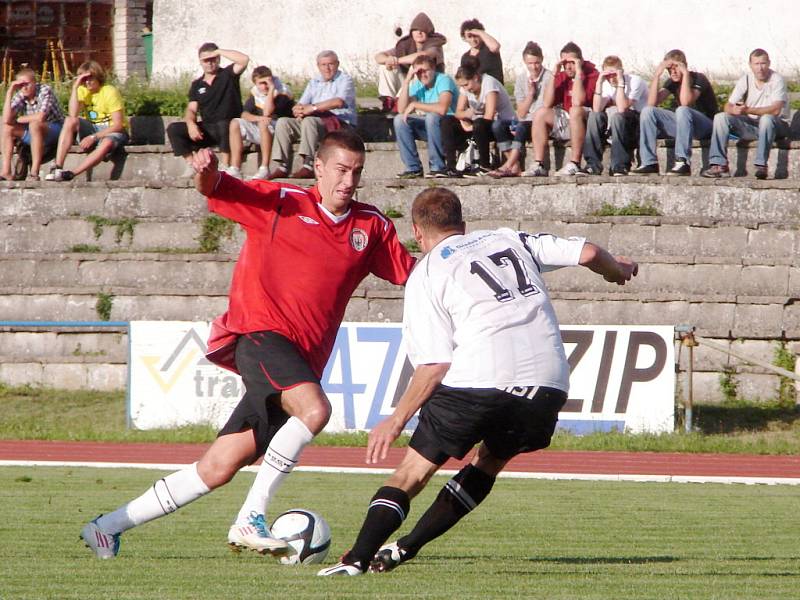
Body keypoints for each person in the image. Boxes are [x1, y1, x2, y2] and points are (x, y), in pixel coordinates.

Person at [80, 129, 415, 560]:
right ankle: (251, 516)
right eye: (341, 170)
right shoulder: (281, 202)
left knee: (218, 467)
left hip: (300, 361)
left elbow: (413, 276)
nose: (349, 181)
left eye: (357, 172)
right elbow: (218, 189)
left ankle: (105, 527)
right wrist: (206, 173)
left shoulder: (371, 226)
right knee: (316, 410)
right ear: (318, 167)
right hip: (259, 334)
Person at [317, 186, 638, 576]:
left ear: (417, 232)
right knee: (487, 463)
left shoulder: (427, 271)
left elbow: (434, 364)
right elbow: (587, 252)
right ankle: (404, 549)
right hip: (547, 382)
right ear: (463, 225)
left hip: (480, 377)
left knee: (412, 473)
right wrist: (616, 270)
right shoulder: (505, 238)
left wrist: (395, 420)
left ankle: (355, 559)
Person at [701, 48, 790, 180]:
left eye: (763, 63)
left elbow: (775, 110)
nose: (760, 68)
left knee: (766, 119)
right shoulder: (746, 79)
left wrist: (748, 110)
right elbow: (727, 105)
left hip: (776, 126)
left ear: (769, 63)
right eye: (756, 64)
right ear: (750, 65)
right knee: (720, 117)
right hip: (752, 125)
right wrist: (734, 110)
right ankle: (719, 165)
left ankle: (761, 165)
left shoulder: (777, 80)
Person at [268, 51, 357, 180]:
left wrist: (313, 107)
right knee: (283, 122)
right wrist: (298, 109)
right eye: (323, 65)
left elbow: (338, 102)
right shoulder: (314, 82)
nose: (327, 68)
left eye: (330, 64)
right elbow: (302, 103)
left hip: (338, 122)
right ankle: (283, 166)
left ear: (337, 64)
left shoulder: (345, 80)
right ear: (318, 66)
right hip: (317, 122)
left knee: (310, 121)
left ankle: (308, 165)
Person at [166, 42, 249, 174]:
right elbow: (191, 109)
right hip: (208, 129)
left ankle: (225, 164)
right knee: (174, 129)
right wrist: (190, 124)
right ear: (200, 62)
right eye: (206, 60)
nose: (209, 63)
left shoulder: (228, 74)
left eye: (213, 59)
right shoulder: (197, 84)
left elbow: (244, 60)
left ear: (218, 59)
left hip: (230, 128)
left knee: (225, 123)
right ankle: (192, 164)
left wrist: (219, 51)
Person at [632, 49, 717, 176]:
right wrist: (657, 75)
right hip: (685, 126)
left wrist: (686, 75)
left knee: (682, 110)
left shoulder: (699, 78)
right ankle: (649, 162)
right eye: (670, 70)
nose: (673, 72)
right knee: (647, 111)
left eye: (676, 68)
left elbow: (685, 102)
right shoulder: (672, 82)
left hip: (706, 126)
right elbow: (651, 103)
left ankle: (682, 161)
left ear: (684, 66)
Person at [45, 61, 129, 182]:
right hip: (93, 128)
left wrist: (93, 137)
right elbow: (72, 115)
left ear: (98, 77)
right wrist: (75, 87)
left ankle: (71, 174)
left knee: (107, 143)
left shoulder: (109, 91)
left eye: (90, 78)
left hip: (113, 132)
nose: (87, 82)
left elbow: (118, 125)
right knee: (70, 120)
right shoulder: (83, 90)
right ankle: (57, 167)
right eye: (84, 79)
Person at [524, 42, 599, 177]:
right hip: (567, 119)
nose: (568, 67)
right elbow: (547, 103)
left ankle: (575, 163)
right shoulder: (562, 76)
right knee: (541, 113)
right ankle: (539, 164)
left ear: (580, 61)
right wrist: (554, 74)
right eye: (565, 63)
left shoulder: (592, 75)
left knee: (575, 110)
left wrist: (579, 73)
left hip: (586, 121)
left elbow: (578, 101)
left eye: (572, 62)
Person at [489, 42, 552, 178]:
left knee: (522, 126)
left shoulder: (549, 77)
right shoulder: (521, 79)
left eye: (537, 63)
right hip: (524, 119)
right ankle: (515, 164)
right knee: (497, 125)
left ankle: (508, 165)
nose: (534, 67)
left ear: (542, 59)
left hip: (538, 122)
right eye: (530, 63)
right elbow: (522, 112)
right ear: (525, 62)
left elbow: (543, 108)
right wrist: (530, 94)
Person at [441, 61, 515, 177]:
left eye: (466, 85)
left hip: (500, 125)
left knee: (479, 124)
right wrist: (466, 116)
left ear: (475, 78)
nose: (465, 89)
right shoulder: (465, 89)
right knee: (447, 121)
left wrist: (470, 126)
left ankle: (484, 165)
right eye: (462, 86)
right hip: (477, 126)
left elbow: (489, 116)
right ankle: (451, 166)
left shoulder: (489, 83)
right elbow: (458, 112)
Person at [394, 54, 458, 179]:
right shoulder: (418, 84)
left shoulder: (444, 79)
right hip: (430, 126)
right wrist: (407, 81)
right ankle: (413, 167)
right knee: (399, 120)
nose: (422, 75)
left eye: (425, 71)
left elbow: (443, 108)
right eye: (418, 72)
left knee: (432, 117)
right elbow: (401, 109)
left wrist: (415, 104)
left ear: (433, 69)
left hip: (448, 125)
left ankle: (437, 166)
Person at [583, 55, 648, 176]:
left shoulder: (635, 81)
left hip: (639, 122)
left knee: (618, 116)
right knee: (594, 116)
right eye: (608, 75)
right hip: (619, 121)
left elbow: (622, 107)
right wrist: (599, 82)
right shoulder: (606, 83)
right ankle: (592, 165)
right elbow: (597, 109)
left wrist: (620, 82)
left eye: (614, 74)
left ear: (621, 71)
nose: (611, 78)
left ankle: (620, 166)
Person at [227, 66, 294, 180]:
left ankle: (264, 168)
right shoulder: (255, 93)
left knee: (263, 124)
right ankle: (235, 168)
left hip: (280, 129)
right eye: (260, 83)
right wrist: (258, 118)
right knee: (235, 123)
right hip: (263, 125)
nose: (264, 87)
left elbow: (267, 112)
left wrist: (272, 88)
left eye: (266, 82)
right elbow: (244, 114)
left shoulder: (282, 92)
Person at [375, 12, 447, 114]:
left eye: (423, 30)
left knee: (417, 67)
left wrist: (397, 60)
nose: (419, 33)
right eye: (416, 30)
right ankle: (389, 101)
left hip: (430, 83)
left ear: (428, 32)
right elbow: (378, 57)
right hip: (408, 81)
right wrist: (388, 60)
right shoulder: (406, 44)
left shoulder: (435, 44)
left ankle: (400, 102)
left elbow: (423, 56)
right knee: (385, 66)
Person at [1, 67, 64, 181]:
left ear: (34, 83)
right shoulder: (21, 94)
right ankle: (6, 171)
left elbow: (41, 117)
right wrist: (10, 92)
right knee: (7, 128)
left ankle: (34, 172)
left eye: (27, 84)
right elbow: (6, 120)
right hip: (35, 131)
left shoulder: (45, 90)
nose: (24, 87)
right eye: (21, 85)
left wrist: (18, 119)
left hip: (55, 129)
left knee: (34, 125)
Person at [459, 19, 503, 83]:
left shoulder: (489, 49)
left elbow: (495, 47)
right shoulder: (465, 57)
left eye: (476, 36)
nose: (473, 39)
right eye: (469, 36)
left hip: (494, 88)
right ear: (465, 38)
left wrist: (480, 32)